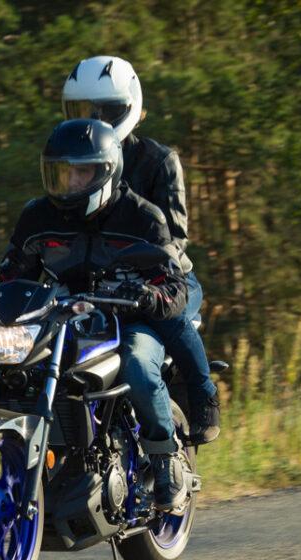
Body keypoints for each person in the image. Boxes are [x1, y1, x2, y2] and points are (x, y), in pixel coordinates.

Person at [0, 118, 191, 510]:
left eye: (80, 172)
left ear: (106, 171)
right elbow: (14, 269)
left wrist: (152, 296)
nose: (69, 183)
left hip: (127, 317)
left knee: (137, 363)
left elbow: (176, 284)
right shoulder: (38, 216)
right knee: (12, 369)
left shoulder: (143, 217)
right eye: (61, 173)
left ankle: (164, 458)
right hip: (63, 315)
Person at [61, 55, 220, 444]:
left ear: (130, 108)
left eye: (107, 109)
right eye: (84, 110)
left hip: (165, 279)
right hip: (99, 285)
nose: (95, 118)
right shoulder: (74, 163)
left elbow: (176, 239)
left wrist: (135, 269)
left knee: (168, 317)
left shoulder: (158, 161)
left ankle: (203, 395)